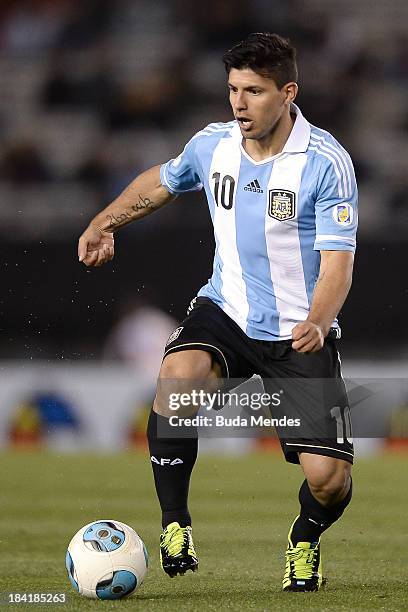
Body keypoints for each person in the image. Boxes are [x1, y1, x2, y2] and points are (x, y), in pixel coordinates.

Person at [78, 32, 358, 592]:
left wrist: (319, 321)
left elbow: (337, 268)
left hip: (298, 330)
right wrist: (104, 220)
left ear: (288, 93)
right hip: (226, 308)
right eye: (233, 89)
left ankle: (304, 539)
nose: (238, 103)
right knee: (175, 380)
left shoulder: (326, 163)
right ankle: (175, 523)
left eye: (253, 91)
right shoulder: (214, 145)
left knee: (329, 480)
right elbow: (161, 183)